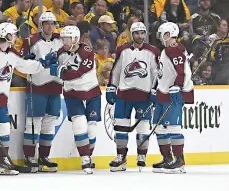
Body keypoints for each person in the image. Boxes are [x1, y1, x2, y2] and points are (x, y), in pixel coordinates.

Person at [0, 22, 53, 176]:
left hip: (1, 98)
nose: (15, 37)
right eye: (14, 34)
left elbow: (25, 66)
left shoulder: (12, 52)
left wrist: (43, 63)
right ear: (7, 35)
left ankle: (3, 163)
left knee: (4, 129)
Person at [106, 22, 160, 172]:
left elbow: (157, 74)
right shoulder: (122, 50)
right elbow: (116, 71)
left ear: (145, 34)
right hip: (124, 94)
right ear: (131, 34)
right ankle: (121, 157)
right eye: (136, 33)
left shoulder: (153, 51)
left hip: (144, 95)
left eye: (142, 33)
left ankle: (141, 156)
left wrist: (155, 91)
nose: (140, 36)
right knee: (121, 127)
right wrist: (112, 87)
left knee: (143, 127)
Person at [50, 26, 101, 174]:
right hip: (72, 93)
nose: (64, 42)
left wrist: (61, 72)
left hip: (92, 93)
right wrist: (44, 61)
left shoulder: (87, 52)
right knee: (79, 125)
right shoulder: (60, 53)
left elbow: (80, 73)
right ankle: (85, 158)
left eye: (67, 39)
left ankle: (88, 156)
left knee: (91, 129)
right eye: (63, 39)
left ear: (76, 39)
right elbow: (50, 63)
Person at [20, 11, 63, 173]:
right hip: (37, 86)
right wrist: (28, 60)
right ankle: (30, 157)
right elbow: (21, 63)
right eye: (46, 23)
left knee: (49, 123)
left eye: (52, 23)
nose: (49, 26)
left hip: (55, 86)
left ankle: (44, 157)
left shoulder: (61, 40)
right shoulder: (31, 40)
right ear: (41, 25)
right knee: (33, 122)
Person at [153, 22, 194, 174]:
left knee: (173, 127)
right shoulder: (166, 51)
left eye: (162, 35)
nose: (161, 38)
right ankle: (168, 159)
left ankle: (179, 161)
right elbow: (163, 73)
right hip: (163, 93)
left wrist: (177, 86)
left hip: (174, 93)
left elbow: (181, 71)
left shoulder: (175, 49)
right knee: (158, 127)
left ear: (168, 34)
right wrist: (155, 89)